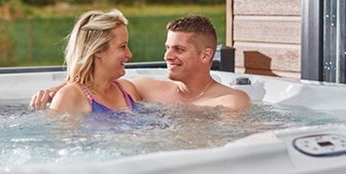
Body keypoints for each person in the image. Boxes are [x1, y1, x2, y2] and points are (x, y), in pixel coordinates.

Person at [31, 14, 250, 113]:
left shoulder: (231, 101)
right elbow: (91, 85)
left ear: (206, 56)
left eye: (179, 50)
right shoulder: (146, 88)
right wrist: (58, 89)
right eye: (167, 47)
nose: (167, 56)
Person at [45, 9, 140, 114]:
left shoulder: (127, 90)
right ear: (98, 50)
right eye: (122, 46)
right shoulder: (70, 96)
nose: (129, 54)